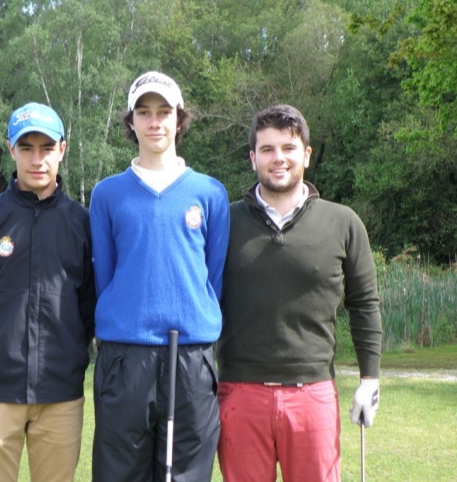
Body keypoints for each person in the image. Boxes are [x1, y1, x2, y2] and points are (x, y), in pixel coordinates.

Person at [216, 104, 382, 482]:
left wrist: (370, 378)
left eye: (289, 148)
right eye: (268, 149)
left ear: (306, 155)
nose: (279, 158)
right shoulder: (224, 222)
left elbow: (365, 304)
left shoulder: (343, 222)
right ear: (252, 157)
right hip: (240, 395)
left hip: (313, 395)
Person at [89, 71, 230, 482]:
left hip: (191, 355)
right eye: (144, 112)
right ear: (130, 122)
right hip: (125, 357)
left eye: (164, 112)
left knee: (186, 473)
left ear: (179, 120)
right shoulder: (107, 194)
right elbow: (107, 275)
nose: (155, 122)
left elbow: (213, 277)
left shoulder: (209, 193)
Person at [0, 102, 96, 482]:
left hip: (60, 395)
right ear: (11, 150)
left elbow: (91, 304)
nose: (37, 159)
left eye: (46, 148)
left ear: (62, 148)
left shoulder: (82, 224)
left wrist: (71, 357)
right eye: (26, 148)